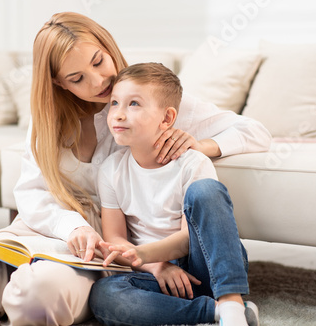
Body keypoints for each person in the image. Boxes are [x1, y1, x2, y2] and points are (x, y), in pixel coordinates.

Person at [0, 11, 271, 326]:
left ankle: (228, 308)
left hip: (101, 249)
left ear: (107, 44)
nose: (99, 81)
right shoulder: (48, 124)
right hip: (47, 231)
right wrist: (71, 227)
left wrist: (198, 144)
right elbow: (32, 195)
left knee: (34, 299)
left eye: (99, 61)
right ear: (58, 82)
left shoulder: (145, 98)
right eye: (77, 78)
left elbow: (254, 131)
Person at [89, 62, 258, 326]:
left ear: (167, 118)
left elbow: (187, 240)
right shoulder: (111, 170)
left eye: (133, 104)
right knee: (106, 294)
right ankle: (213, 312)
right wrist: (155, 265)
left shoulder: (192, 163)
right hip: (154, 273)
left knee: (206, 190)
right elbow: (115, 238)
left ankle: (231, 303)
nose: (118, 114)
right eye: (114, 103)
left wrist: (146, 253)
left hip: (204, 265)